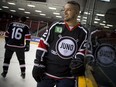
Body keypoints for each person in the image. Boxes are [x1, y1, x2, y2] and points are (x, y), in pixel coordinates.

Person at [32, 1, 93, 87]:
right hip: (46, 73)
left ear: (77, 12)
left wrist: (79, 61)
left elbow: (83, 50)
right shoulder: (56, 26)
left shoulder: (84, 32)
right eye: (64, 9)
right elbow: (43, 44)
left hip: (67, 77)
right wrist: (38, 63)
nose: (65, 12)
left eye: (69, 10)